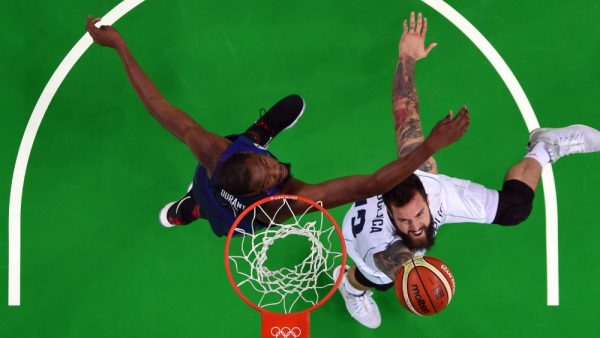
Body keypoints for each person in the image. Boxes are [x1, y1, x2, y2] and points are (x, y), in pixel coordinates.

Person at [84, 16, 471, 237]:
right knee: (204, 208)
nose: (277, 167)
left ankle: (260, 131)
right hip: (232, 216)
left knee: (241, 144)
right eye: (270, 172)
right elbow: (370, 185)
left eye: (265, 161)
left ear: (238, 157)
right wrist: (429, 146)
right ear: (264, 189)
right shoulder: (283, 204)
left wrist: (119, 45)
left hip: (220, 173)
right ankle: (189, 209)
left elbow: (157, 106)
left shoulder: (213, 151)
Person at [334, 11, 600, 328]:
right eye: (404, 221)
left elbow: (405, 107)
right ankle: (351, 290)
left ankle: (545, 148)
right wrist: (414, 276)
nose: (415, 227)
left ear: (425, 193)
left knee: (514, 209)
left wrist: (406, 57)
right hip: (361, 243)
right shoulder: (379, 247)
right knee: (375, 278)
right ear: (391, 214)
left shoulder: (428, 180)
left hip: (440, 201)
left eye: (418, 215)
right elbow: (397, 259)